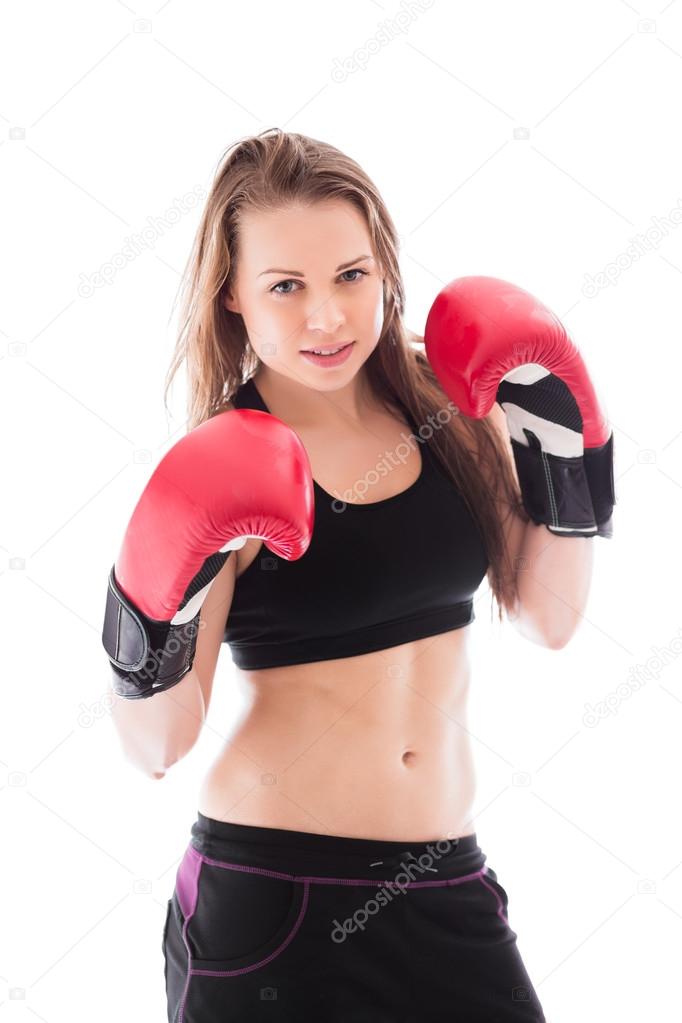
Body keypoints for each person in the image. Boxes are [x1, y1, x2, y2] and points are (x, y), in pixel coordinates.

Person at [103, 128, 614, 1022]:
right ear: (232, 294)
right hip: (274, 893)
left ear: (384, 268)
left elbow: (550, 615)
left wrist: (568, 455)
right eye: (286, 287)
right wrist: (150, 601)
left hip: (444, 878)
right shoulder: (226, 461)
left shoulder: (453, 409)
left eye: (351, 275)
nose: (327, 317)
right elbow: (157, 746)